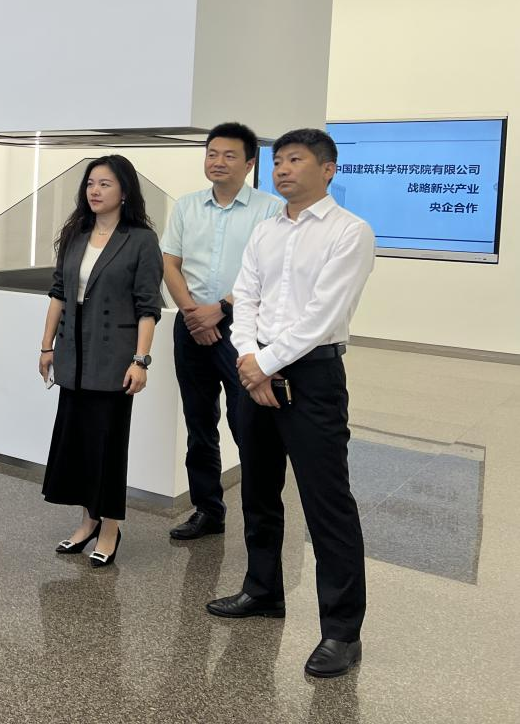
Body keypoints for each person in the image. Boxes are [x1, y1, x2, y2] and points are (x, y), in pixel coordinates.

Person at [206, 128, 375, 679]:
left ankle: (341, 632)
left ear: (327, 169)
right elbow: (245, 298)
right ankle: (262, 590)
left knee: (327, 503)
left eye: (294, 160)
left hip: (312, 377)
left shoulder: (350, 232)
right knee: (258, 489)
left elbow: (324, 315)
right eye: (277, 161)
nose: (281, 169)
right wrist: (249, 358)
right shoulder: (266, 230)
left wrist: (264, 364)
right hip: (255, 368)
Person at [38, 155, 163, 567]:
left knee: (107, 446)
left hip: (114, 359)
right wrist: (46, 347)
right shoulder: (76, 234)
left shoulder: (141, 240)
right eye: (91, 183)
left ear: (125, 191)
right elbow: (59, 292)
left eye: (105, 184)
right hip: (73, 355)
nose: (95, 190)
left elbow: (148, 307)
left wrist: (140, 360)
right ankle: (87, 521)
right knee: (78, 444)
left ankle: (110, 528)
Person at [162, 123, 282, 539]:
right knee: (198, 422)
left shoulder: (269, 210)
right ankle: (208, 510)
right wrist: (193, 314)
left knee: (246, 422)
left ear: (249, 164)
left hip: (242, 324)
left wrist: (220, 310)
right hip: (191, 321)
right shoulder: (187, 206)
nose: (218, 162)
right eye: (212, 153)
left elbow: (266, 272)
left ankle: (260, 517)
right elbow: (170, 263)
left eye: (229, 155)